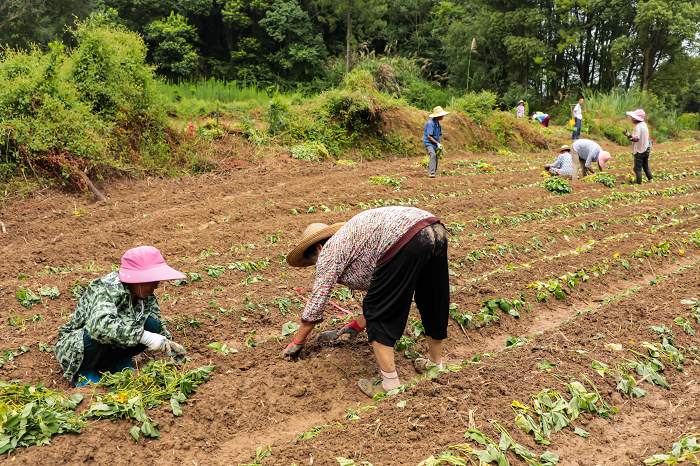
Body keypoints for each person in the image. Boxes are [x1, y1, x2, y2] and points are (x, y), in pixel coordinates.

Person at [282, 206, 450, 397]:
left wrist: (297, 341)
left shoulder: (329, 251)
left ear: (319, 248)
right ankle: (436, 365)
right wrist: (355, 326)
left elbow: (317, 301)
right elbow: (383, 291)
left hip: (405, 237)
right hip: (434, 228)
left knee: (381, 316)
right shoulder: (356, 243)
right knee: (433, 299)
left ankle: (390, 385)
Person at [54, 246, 188, 386]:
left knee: (152, 324)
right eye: (152, 281)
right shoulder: (106, 289)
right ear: (138, 279)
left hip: (108, 347)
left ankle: (118, 361)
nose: (156, 286)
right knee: (102, 328)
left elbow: (156, 320)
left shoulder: (144, 294)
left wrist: (167, 343)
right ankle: (84, 372)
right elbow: (100, 327)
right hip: (79, 346)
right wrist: (145, 337)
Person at [624, 108, 652, 184]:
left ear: (636, 119)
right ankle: (650, 179)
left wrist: (629, 137)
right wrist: (629, 134)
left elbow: (636, 139)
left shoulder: (638, 127)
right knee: (645, 165)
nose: (632, 119)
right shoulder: (644, 125)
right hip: (646, 149)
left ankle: (638, 182)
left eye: (633, 118)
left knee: (637, 168)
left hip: (639, 150)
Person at [423, 106, 449, 178]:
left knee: (436, 156)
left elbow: (439, 135)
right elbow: (429, 136)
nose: (443, 116)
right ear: (438, 116)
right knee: (433, 155)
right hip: (429, 143)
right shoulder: (430, 123)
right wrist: (437, 143)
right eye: (442, 115)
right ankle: (431, 173)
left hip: (435, 142)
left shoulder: (438, 124)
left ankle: (434, 171)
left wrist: (440, 144)